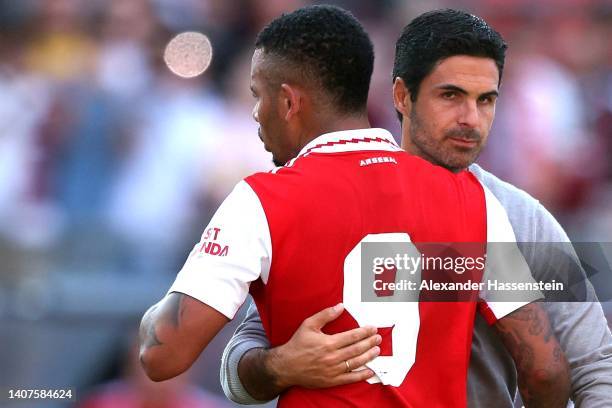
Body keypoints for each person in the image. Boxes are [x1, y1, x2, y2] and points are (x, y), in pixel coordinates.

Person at [139, 6, 569, 407]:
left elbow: (161, 355)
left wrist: (276, 365)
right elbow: (545, 369)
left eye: (258, 95)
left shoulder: (261, 201)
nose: (255, 113)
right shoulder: (473, 199)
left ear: (289, 102)